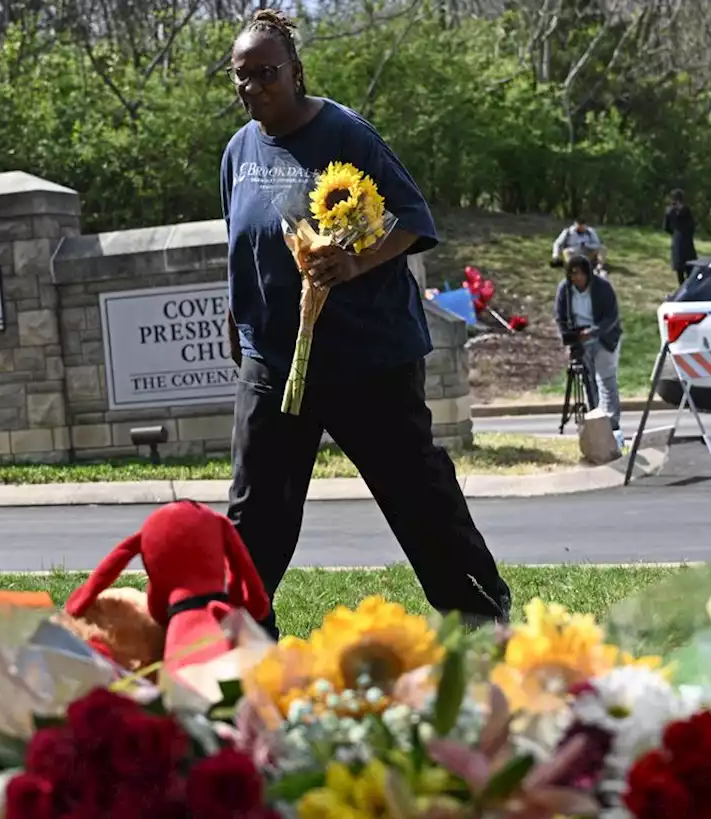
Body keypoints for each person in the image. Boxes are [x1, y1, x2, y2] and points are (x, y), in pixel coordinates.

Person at [219, 8, 513, 637]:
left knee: (419, 497)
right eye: (240, 79)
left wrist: (354, 263)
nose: (253, 89)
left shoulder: (346, 133)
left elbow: (412, 219)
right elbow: (240, 242)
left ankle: (483, 620)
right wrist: (238, 320)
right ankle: (239, 637)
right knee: (255, 512)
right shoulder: (238, 151)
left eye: (265, 74)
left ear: (296, 72)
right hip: (274, 363)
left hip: (366, 362)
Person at [553, 255, 623, 446]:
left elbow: (612, 316)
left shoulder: (602, 287)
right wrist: (568, 336)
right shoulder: (565, 290)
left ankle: (611, 423)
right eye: (572, 273)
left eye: (580, 273)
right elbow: (559, 316)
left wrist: (593, 332)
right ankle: (595, 418)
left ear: (587, 273)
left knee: (605, 378)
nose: (576, 278)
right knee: (588, 380)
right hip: (580, 339)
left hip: (603, 336)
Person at [663, 189, 697, 285]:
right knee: (690, 267)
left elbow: (666, 227)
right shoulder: (686, 210)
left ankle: (682, 287)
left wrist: (674, 233)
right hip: (686, 240)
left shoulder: (668, 211)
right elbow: (692, 225)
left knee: (679, 268)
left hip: (676, 239)